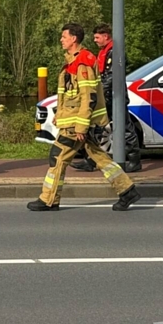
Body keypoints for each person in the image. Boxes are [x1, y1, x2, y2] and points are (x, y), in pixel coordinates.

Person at [28, 23, 141, 212]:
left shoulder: (82, 63)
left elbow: (88, 95)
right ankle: (127, 190)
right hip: (77, 121)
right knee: (100, 157)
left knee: (58, 157)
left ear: (73, 39)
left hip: (77, 124)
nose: (61, 40)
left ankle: (49, 199)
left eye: (64, 36)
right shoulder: (75, 61)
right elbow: (70, 93)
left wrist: (81, 125)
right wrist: (60, 115)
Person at [72, 23, 142, 173]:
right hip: (106, 97)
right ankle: (92, 160)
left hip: (114, 97)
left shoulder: (114, 52)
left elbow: (112, 76)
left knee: (125, 127)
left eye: (97, 37)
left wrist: (97, 91)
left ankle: (134, 160)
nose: (95, 40)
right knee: (95, 128)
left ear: (106, 36)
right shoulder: (105, 52)